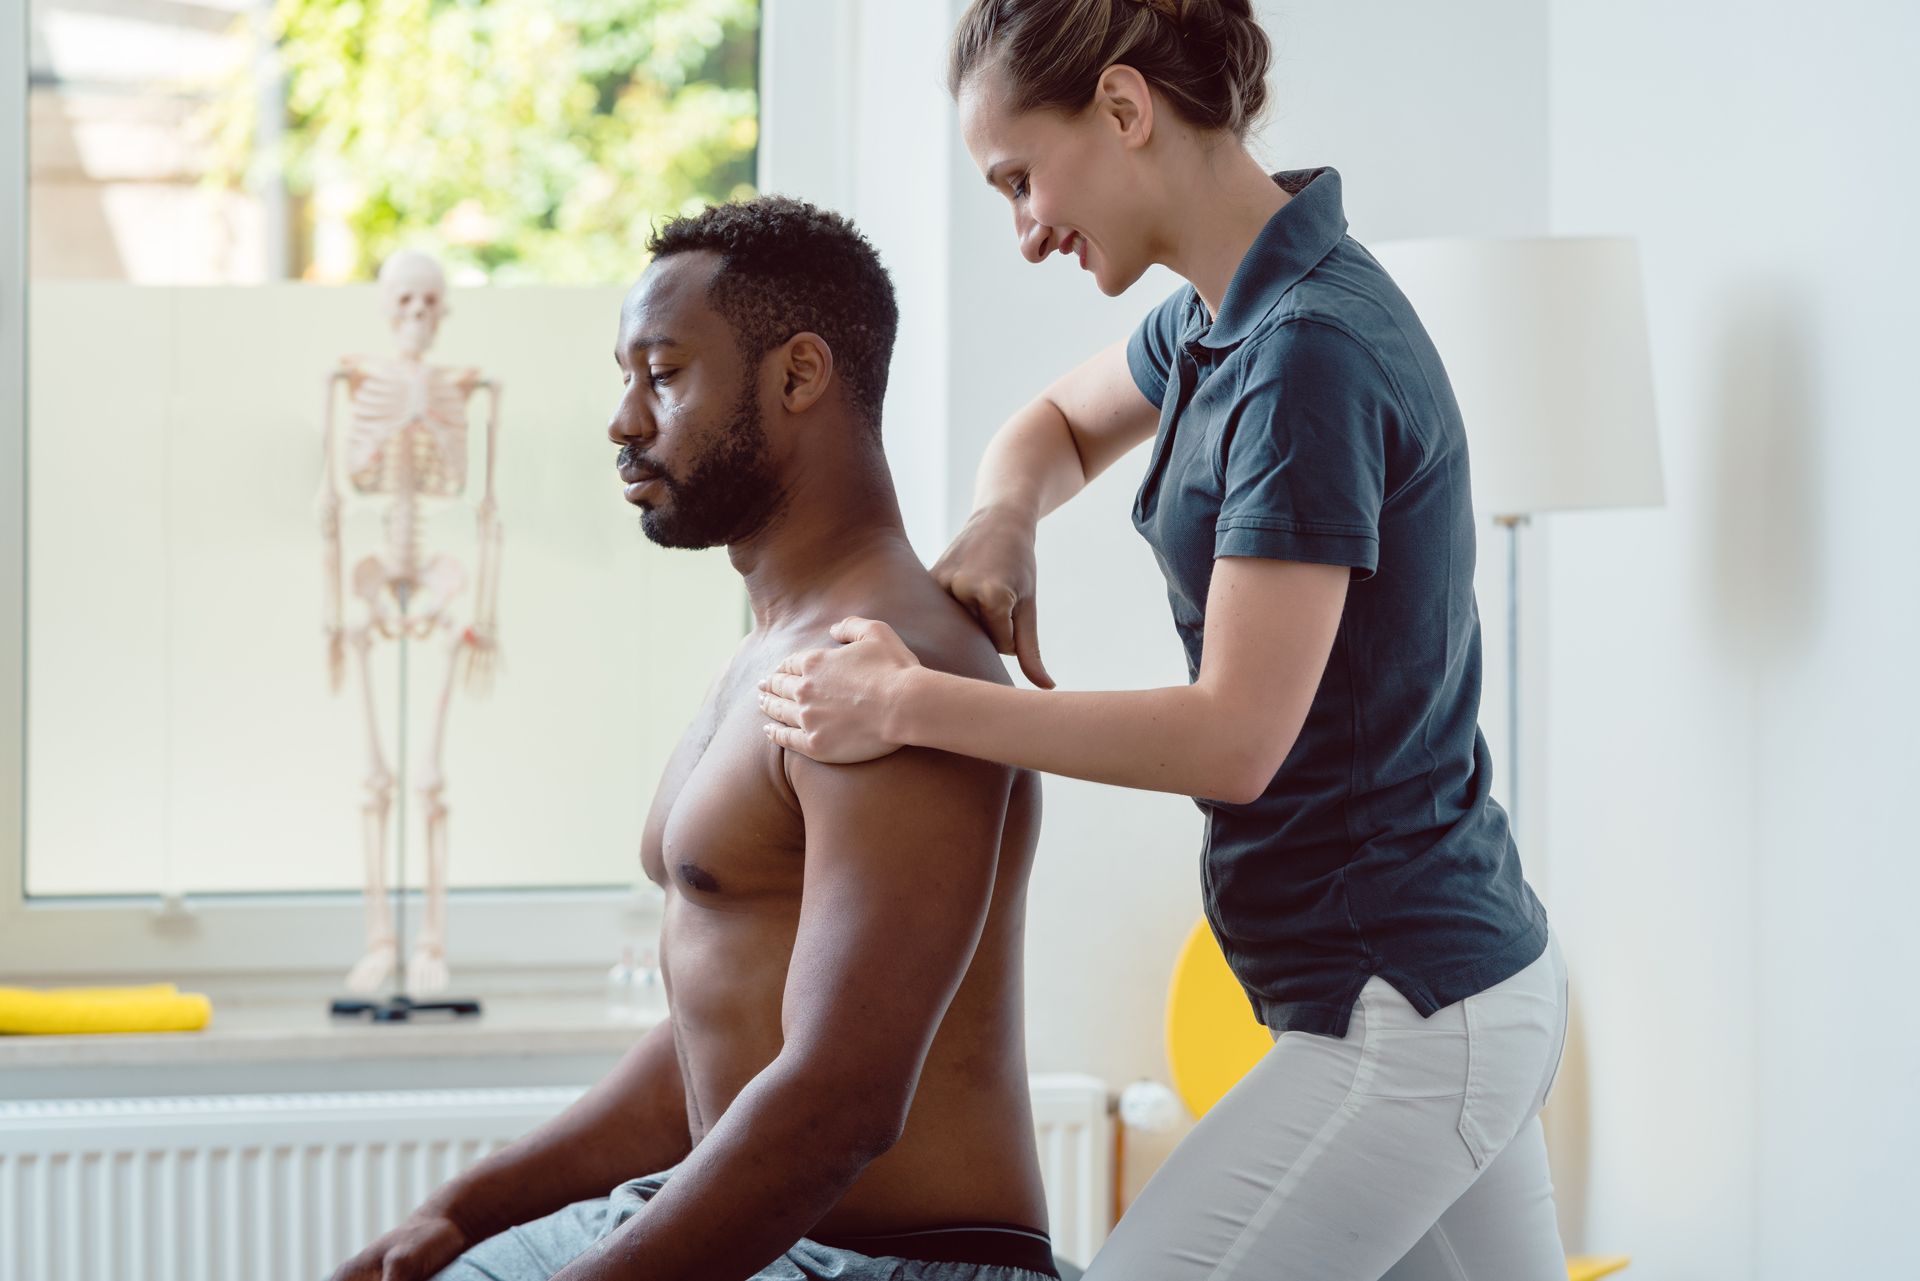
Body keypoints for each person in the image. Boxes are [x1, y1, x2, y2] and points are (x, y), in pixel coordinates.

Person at [756, 2, 1570, 1278]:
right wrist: (1003, 520)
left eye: (1022, 179)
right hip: (1449, 988)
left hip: (1406, 1009)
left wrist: (909, 704)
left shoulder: (1306, 352)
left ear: (1126, 110)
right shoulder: (1220, 314)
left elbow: (1233, 738)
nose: (1024, 231)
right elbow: (1053, 426)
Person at [329, 196, 1060, 1281]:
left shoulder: (897, 673)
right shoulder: (767, 655)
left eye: (663, 375)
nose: (624, 421)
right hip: (748, 1222)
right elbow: (706, 1054)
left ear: (799, 376)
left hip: (893, 1262)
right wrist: (459, 1212)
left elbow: (838, 1105)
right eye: (625, 378)